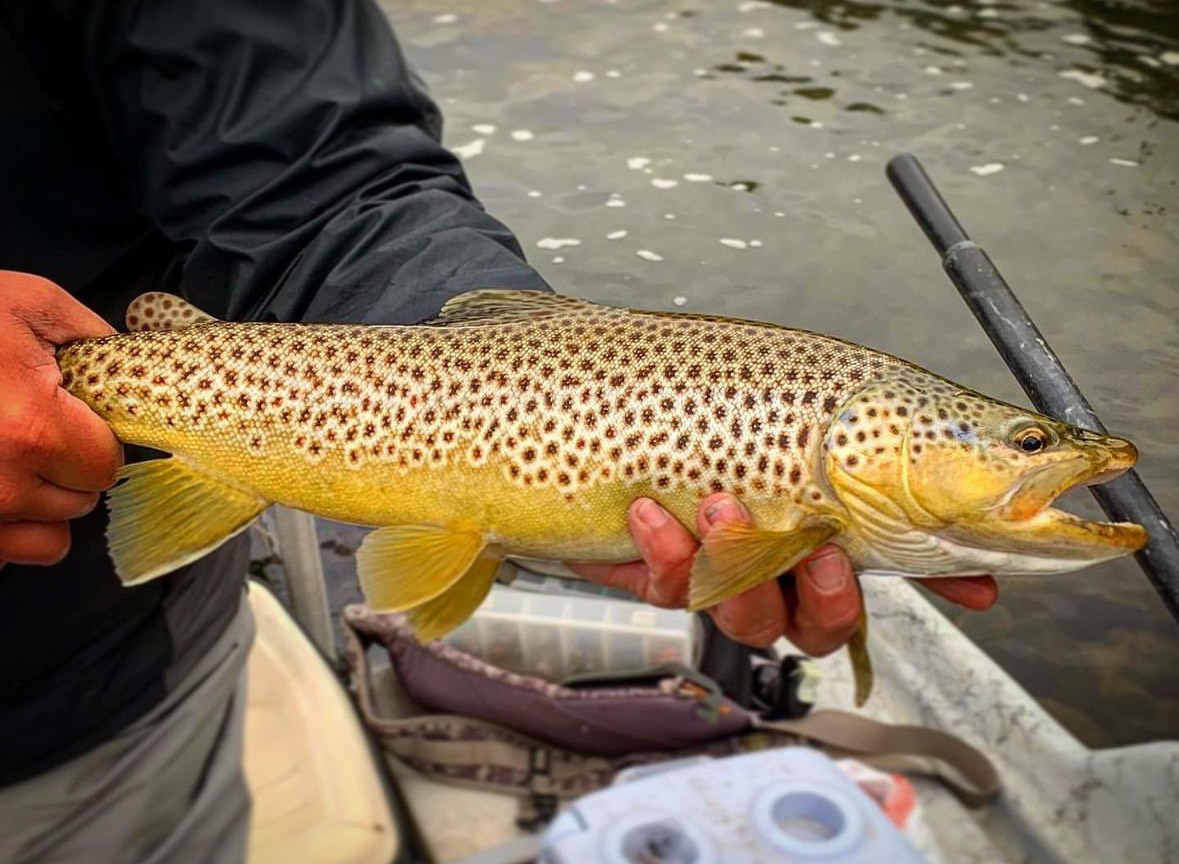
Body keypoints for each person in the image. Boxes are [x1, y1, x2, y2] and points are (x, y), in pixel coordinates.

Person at [0, 1, 998, 862]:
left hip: (98, 708)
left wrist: (524, 369)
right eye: (1026, 448)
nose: (1041, 463)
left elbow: (321, 180)